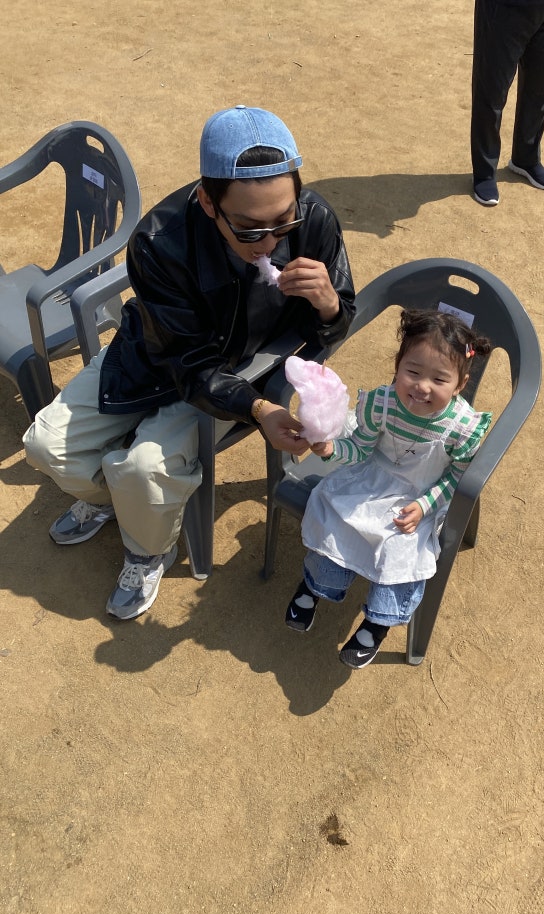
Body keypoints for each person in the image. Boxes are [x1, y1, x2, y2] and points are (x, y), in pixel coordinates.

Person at [23, 105, 355, 619]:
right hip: (164, 354)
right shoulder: (158, 242)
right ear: (207, 202)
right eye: (249, 229)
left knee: (141, 468)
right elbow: (188, 362)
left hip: (240, 371)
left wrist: (329, 303)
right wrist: (259, 410)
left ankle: (147, 548)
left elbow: (336, 320)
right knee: (46, 446)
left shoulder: (315, 220)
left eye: (283, 220)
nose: (271, 241)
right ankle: (118, 503)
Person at [285, 309, 493, 668]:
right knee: (336, 514)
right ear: (398, 367)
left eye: (439, 379)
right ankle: (317, 584)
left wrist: (425, 505)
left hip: (420, 495)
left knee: (403, 548)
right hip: (372, 478)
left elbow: (456, 477)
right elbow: (360, 448)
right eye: (413, 372)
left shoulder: (462, 426)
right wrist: (332, 448)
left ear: (460, 384)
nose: (422, 387)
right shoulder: (382, 403)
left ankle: (378, 622)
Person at [470, 0, 544, 206]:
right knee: (492, 90)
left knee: (540, 83)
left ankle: (526, 158)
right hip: (504, 8)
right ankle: (484, 173)